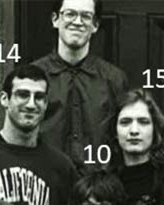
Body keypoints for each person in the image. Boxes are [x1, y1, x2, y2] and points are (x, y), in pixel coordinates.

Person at [0, 63, 78, 205]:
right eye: (22, 95)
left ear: (46, 104)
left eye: (39, 97)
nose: (31, 104)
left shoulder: (61, 166)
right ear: (4, 99)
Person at [34, 0, 128, 168]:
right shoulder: (34, 76)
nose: (77, 22)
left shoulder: (114, 79)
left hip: (99, 181)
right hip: (45, 178)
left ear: (95, 25)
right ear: (55, 19)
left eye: (85, 16)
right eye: (70, 14)